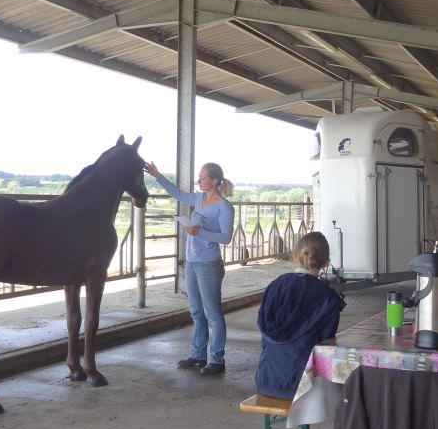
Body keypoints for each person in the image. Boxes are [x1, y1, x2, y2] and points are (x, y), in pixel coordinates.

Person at [144, 161, 234, 375]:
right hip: (192, 261)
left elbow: (226, 237)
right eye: (199, 178)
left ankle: (217, 359)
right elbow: (176, 193)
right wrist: (158, 175)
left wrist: (199, 233)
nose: (199, 181)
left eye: (203, 178)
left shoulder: (224, 206)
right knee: (196, 311)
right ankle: (198, 354)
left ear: (214, 181)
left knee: (213, 313)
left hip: (208, 263)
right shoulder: (198, 198)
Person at [255, 231, 345, 399]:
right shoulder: (327, 298)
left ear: (295, 257)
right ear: (326, 263)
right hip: (305, 385)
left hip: (265, 381)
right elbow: (326, 342)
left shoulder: (274, 287)